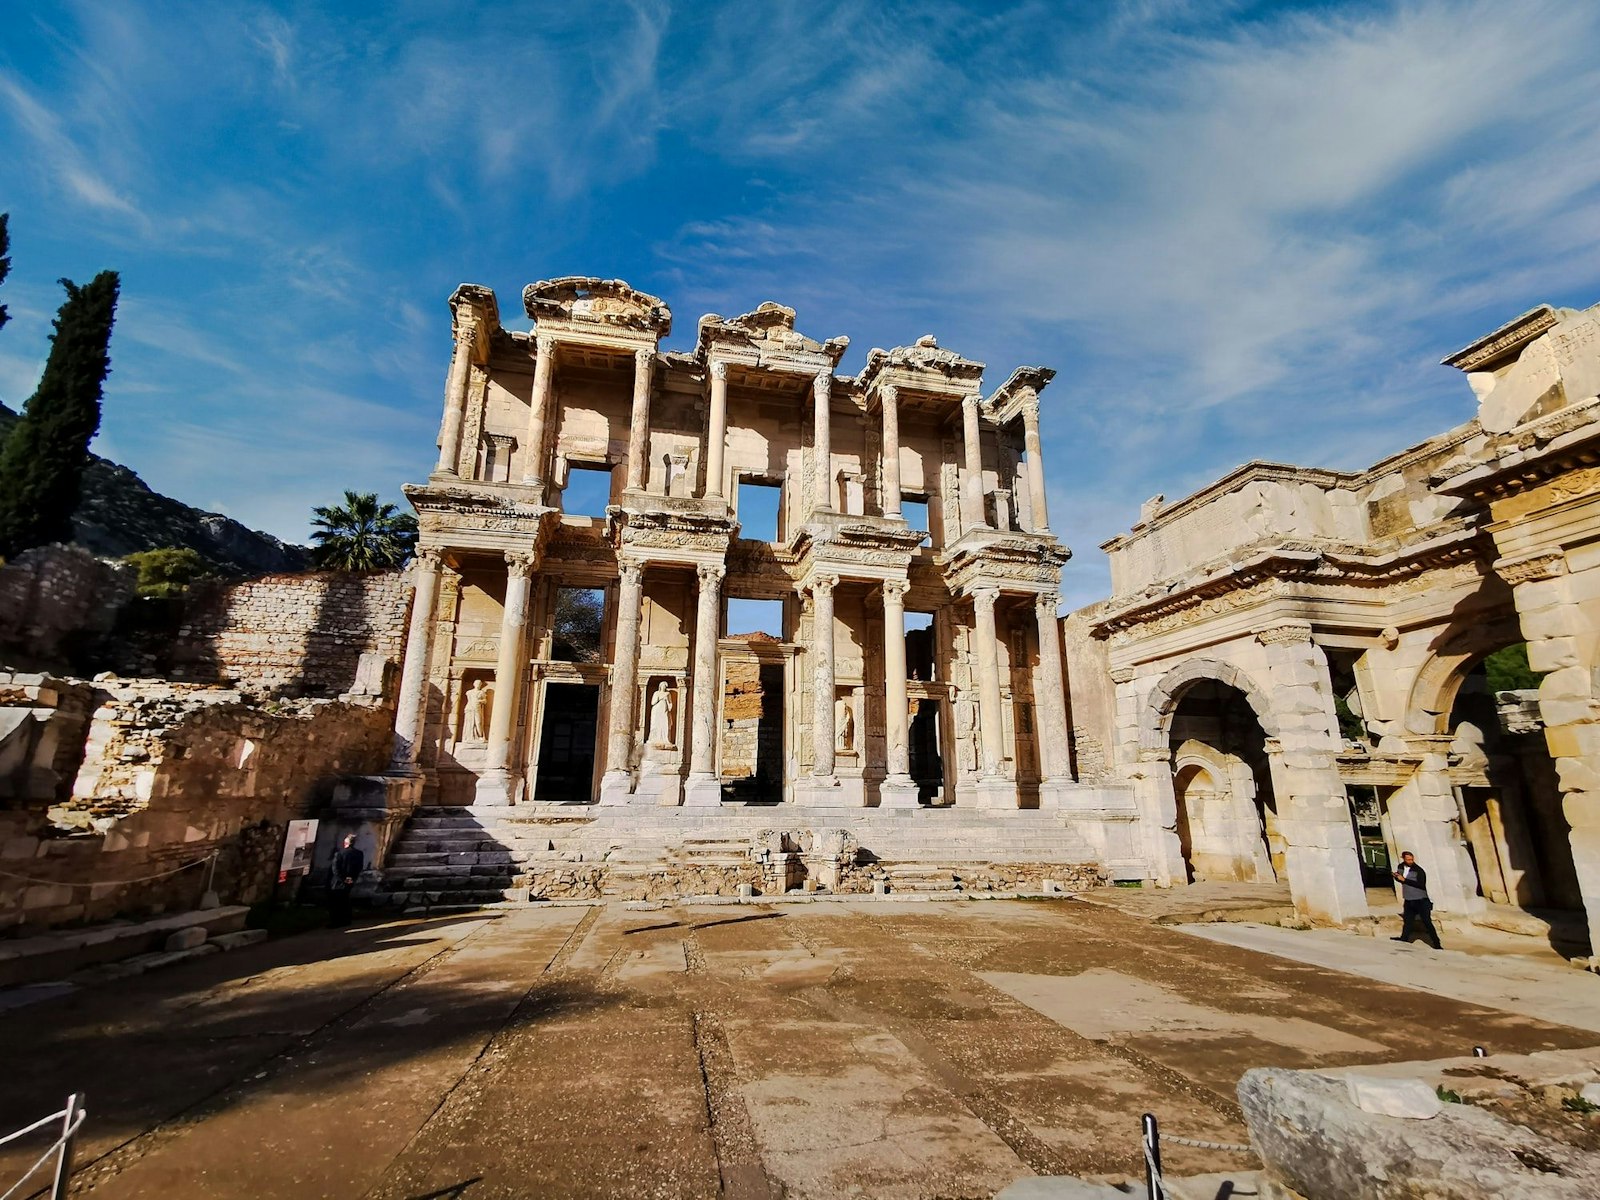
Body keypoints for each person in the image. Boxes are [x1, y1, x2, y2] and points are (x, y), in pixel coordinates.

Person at [1391, 851, 1442, 949]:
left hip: (1421, 900)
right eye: (1408, 859)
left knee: (1427, 921)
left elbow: (1421, 884)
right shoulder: (1401, 867)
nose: (1410, 861)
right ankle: (1404, 939)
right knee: (1408, 921)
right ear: (1403, 859)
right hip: (1409, 899)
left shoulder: (1419, 870)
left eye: (1412, 859)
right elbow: (1401, 880)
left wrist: (1404, 880)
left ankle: (1437, 943)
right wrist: (1397, 877)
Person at [328, 834, 364, 926]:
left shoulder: (339, 854)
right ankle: (346, 920)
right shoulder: (359, 854)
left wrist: (343, 879)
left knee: (336, 902)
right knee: (346, 900)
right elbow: (359, 867)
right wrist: (351, 878)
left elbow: (335, 869)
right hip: (351, 880)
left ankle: (336, 921)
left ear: (345, 843)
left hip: (338, 881)